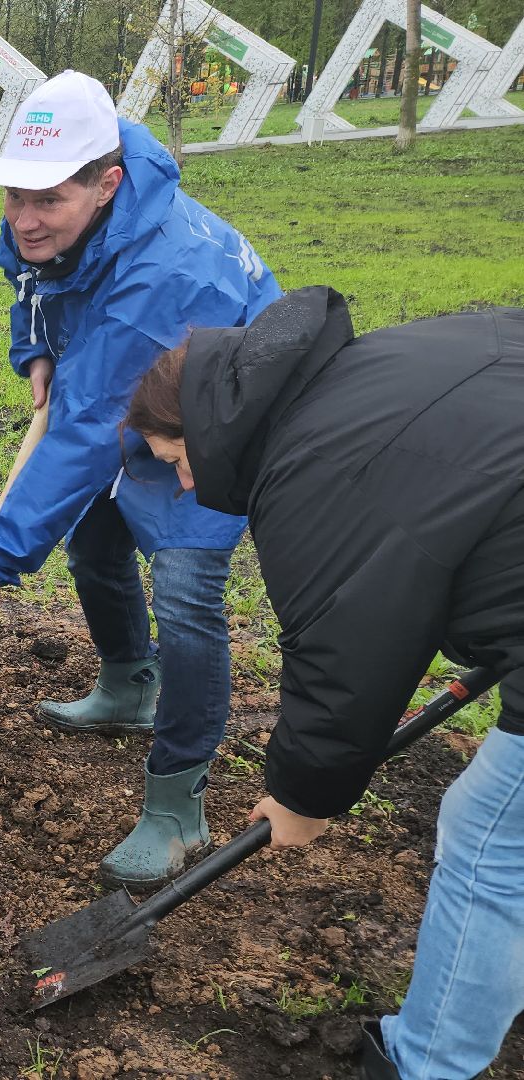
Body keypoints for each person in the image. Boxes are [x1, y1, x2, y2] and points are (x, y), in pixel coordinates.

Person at [122, 286, 524, 1080]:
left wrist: (303, 798)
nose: (189, 486)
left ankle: (425, 1066)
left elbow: (346, 660)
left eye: (177, 460)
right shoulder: (375, 366)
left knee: (489, 837)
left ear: (204, 427)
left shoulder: (313, 469)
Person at [0, 70, 281, 888]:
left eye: (46, 201)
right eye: (13, 197)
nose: (24, 218)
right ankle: (130, 685)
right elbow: (28, 280)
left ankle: (177, 808)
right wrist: (38, 349)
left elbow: (92, 428)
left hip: (215, 419)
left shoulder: (166, 274)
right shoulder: (48, 222)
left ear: (108, 182)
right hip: (127, 376)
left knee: (187, 589)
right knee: (95, 539)